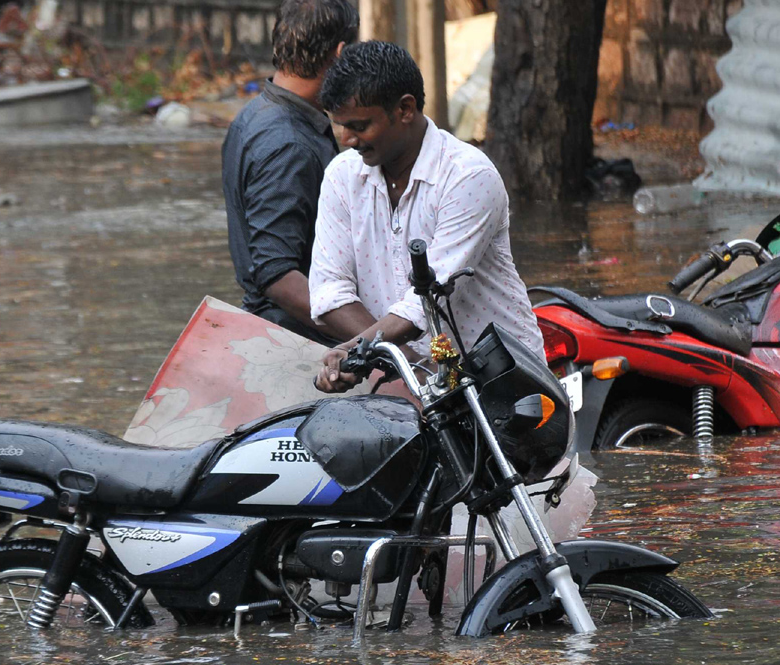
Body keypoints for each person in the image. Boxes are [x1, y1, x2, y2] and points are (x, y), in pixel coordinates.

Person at [310, 41, 545, 391]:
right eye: (339, 126)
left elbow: (427, 300)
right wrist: (392, 358)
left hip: (501, 376)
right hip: (410, 383)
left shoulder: (468, 176)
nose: (346, 139)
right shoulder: (343, 177)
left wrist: (358, 348)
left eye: (358, 126)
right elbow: (329, 293)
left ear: (405, 109)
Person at [221, 0, 359, 344]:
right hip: (300, 338)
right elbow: (278, 275)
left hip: (278, 327)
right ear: (340, 53)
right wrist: (374, 339)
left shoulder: (254, 113)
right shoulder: (289, 144)